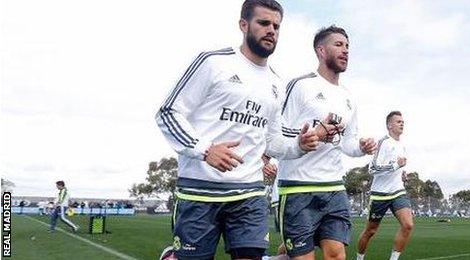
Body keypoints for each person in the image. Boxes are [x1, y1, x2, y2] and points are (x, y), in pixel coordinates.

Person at [155, 1, 338, 259]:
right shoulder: (213, 62)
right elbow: (168, 112)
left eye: (276, 26)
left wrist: (299, 145)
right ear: (244, 25)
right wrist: (204, 150)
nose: (271, 30)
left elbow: (272, 141)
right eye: (263, 23)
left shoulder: (276, 83)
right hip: (199, 191)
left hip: (249, 193)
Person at [278, 25, 377, 260]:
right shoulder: (301, 85)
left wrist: (361, 148)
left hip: (333, 187)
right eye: (338, 45)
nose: (345, 51)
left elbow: (347, 143)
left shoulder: (348, 98)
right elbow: (277, 134)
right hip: (298, 187)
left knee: (337, 255)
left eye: (347, 46)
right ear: (321, 50)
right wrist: (313, 135)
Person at [357, 111, 413, 260]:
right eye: (398, 121)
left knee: (408, 225)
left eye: (403, 121)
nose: (402, 123)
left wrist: (402, 174)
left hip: (397, 191)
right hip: (379, 194)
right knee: (370, 231)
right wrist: (395, 165)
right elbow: (372, 169)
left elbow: (399, 167)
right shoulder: (383, 142)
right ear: (389, 125)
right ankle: (359, 258)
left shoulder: (402, 145)